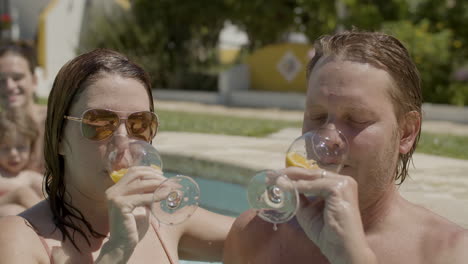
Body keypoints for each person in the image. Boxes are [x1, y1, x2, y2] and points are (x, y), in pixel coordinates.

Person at [223, 30, 468, 264]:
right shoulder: (256, 235)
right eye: (317, 116)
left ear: (406, 133)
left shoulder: (450, 253)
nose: (329, 137)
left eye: (357, 119)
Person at [0, 48, 234, 263]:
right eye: (100, 123)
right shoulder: (18, 239)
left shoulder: (163, 220)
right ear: (59, 137)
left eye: (140, 124)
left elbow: (259, 236)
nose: (123, 141)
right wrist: (117, 251)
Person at [0, 41, 47, 173]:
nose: (9, 86)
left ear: (34, 81)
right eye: (1, 80)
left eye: (17, 78)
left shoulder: (54, 123)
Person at [0, 110, 43, 216]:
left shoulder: (31, 177)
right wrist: (18, 195)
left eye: (21, 147)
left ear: (31, 148)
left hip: (27, 228)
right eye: (5, 148)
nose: (13, 153)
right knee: (19, 198)